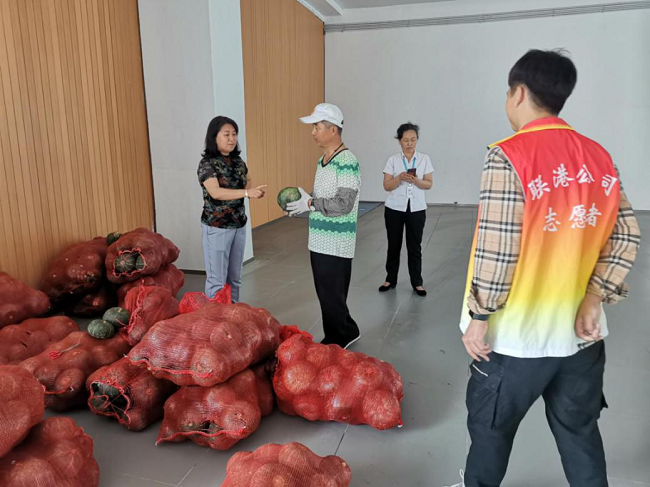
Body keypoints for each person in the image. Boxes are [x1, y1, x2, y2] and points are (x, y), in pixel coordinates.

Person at [447, 50, 641, 487]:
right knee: (579, 432)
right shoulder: (598, 156)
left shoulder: (508, 156)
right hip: (580, 337)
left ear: (518, 93)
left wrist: (479, 316)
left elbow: (499, 249)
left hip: (516, 338)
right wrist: (594, 297)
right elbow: (627, 234)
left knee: (491, 433)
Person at [286, 103, 362, 349]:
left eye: (316, 126)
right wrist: (307, 202)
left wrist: (310, 203)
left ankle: (340, 336)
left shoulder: (347, 161)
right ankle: (343, 330)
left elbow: (344, 204)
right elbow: (324, 198)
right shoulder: (322, 160)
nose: (313, 132)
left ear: (333, 130)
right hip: (319, 239)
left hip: (337, 241)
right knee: (326, 293)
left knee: (333, 294)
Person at [198, 116, 266, 303]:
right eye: (226, 134)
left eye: (234, 134)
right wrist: (246, 193)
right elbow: (216, 192)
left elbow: (247, 179)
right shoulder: (207, 164)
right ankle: (216, 317)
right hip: (217, 227)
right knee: (217, 281)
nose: (232, 139)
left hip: (238, 225)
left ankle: (233, 313)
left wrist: (252, 191)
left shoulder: (238, 161)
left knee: (234, 278)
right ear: (214, 137)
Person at [379, 122, 434, 296]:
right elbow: (387, 186)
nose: (410, 143)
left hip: (417, 209)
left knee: (414, 247)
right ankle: (390, 279)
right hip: (394, 209)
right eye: (406, 140)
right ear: (399, 141)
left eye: (413, 139)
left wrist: (416, 181)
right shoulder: (393, 160)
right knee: (393, 245)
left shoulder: (424, 159)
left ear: (417, 140)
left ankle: (417, 282)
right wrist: (399, 178)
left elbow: (429, 184)